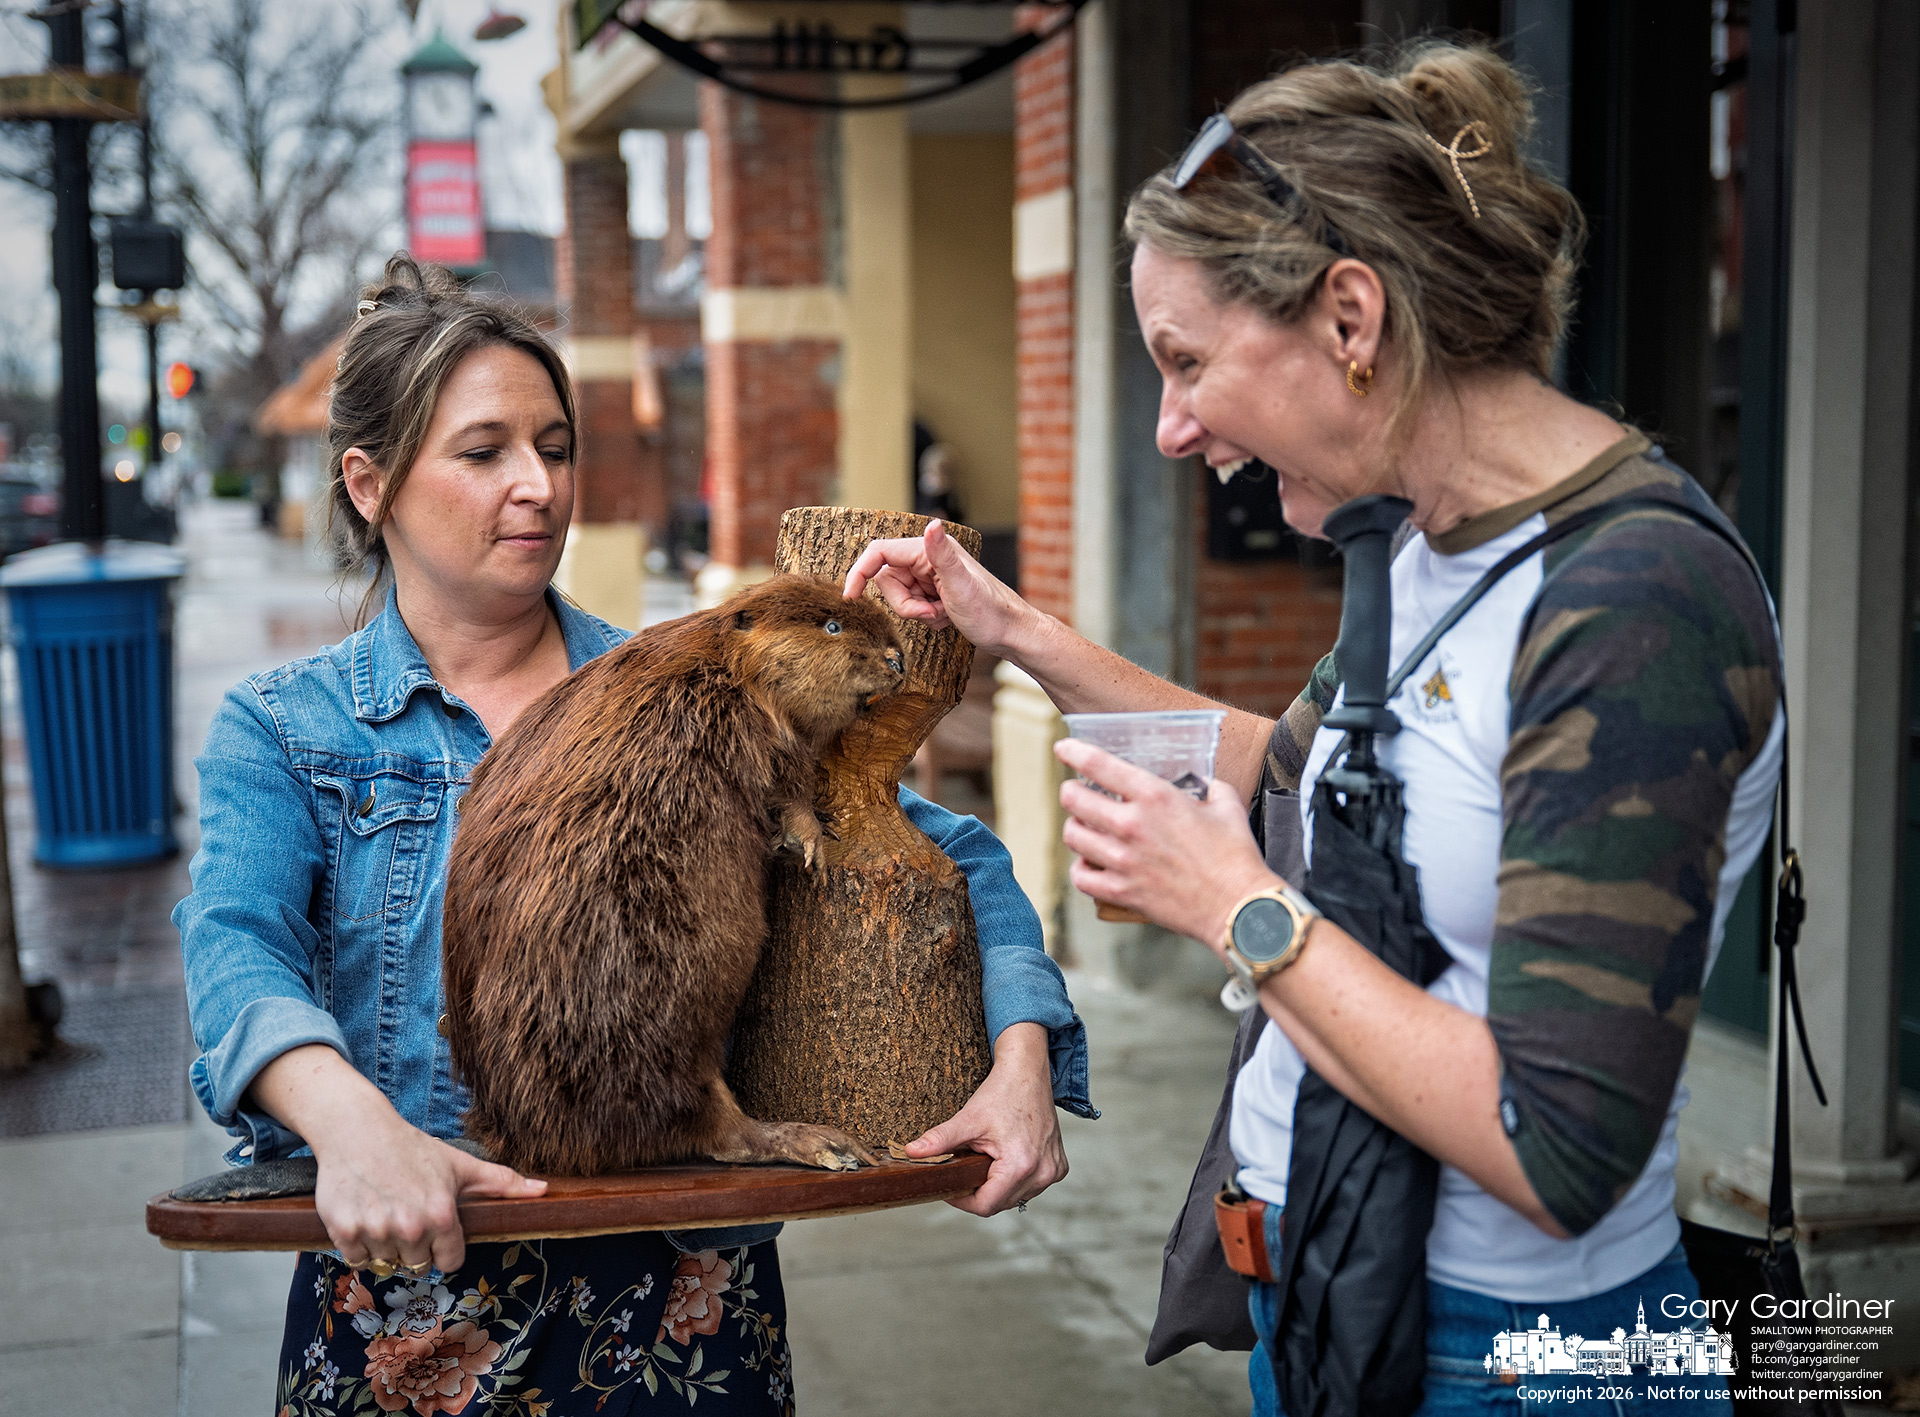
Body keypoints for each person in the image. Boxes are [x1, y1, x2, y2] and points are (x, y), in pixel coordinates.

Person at [846, 40, 1778, 1417]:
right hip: (1343, 1298)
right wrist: (1014, 632)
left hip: (1514, 1359)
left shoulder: (1637, 602)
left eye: (1186, 362)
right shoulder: (1425, 549)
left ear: (1350, 318)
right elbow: (1296, 773)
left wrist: (1240, 912)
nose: (1169, 429)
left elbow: (1561, 1144)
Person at [176, 255, 1092, 1417]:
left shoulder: (685, 674)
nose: (537, 487)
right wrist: (345, 1120)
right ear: (370, 484)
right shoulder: (287, 728)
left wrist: (1021, 1062)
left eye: (555, 448)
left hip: (681, 1306)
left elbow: (953, 858)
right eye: (483, 452)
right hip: (412, 1309)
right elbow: (232, 943)